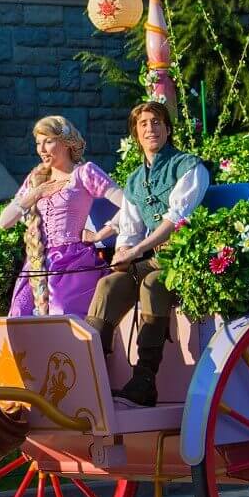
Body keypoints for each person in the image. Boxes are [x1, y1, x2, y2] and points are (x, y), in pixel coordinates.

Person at [84, 101, 209, 407]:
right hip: (149, 258)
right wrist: (124, 251)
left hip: (183, 258)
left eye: (156, 122)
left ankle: (145, 380)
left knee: (153, 283)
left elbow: (175, 220)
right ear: (135, 134)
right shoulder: (134, 180)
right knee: (109, 285)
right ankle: (91, 378)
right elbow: (130, 229)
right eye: (143, 124)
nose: (150, 129)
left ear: (167, 129)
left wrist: (137, 250)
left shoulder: (190, 167)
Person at [0, 116, 123, 318]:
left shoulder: (84, 173)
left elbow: (129, 203)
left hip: (73, 261)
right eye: (38, 143)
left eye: (48, 141)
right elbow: (4, 222)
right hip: (37, 263)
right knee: (19, 315)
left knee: (61, 314)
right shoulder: (35, 180)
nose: (42, 149)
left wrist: (103, 233)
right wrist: (35, 194)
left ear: (65, 142)